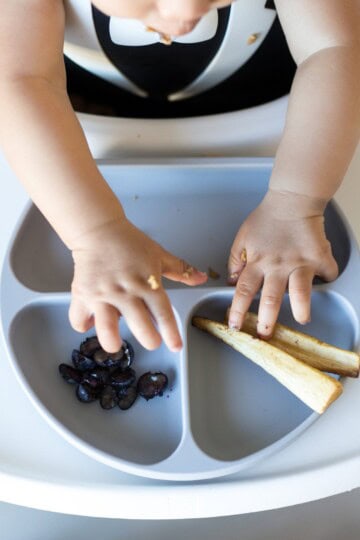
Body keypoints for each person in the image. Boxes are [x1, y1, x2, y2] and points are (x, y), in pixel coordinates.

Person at [0, 0, 359, 355]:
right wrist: (93, 234)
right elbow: (22, 79)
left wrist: (296, 203)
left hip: (272, 97)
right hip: (83, 110)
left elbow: (334, 47)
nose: (186, 14)